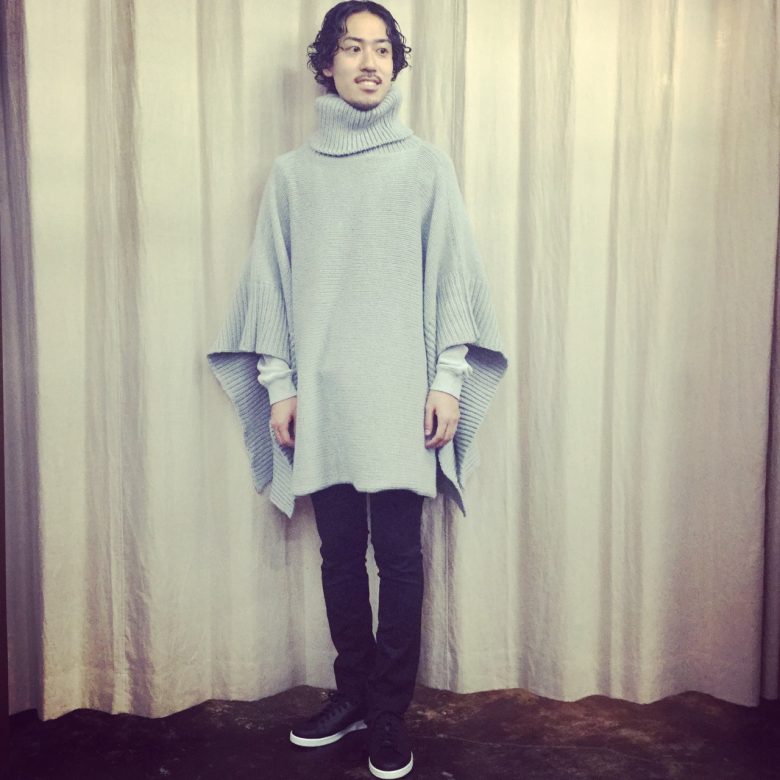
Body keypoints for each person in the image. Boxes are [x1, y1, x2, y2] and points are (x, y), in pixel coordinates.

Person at [207, 2, 507, 777]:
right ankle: (353, 695)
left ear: (396, 65)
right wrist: (279, 385)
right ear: (326, 64)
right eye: (352, 48)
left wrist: (447, 381)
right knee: (339, 554)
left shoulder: (426, 166)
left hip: (404, 397)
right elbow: (269, 287)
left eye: (381, 49)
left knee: (399, 557)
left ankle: (389, 713)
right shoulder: (292, 176)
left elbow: (453, 281)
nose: (369, 62)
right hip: (322, 400)